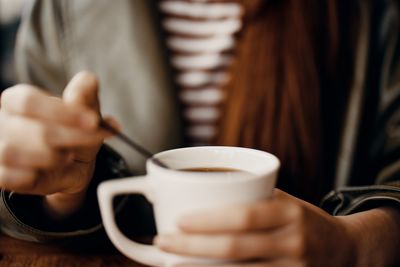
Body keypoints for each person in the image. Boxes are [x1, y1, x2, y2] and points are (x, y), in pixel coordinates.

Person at [0, 0, 399, 266]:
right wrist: (61, 192)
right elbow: (24, 210)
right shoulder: (60, 10)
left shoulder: (373, 13)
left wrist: (353, 244)